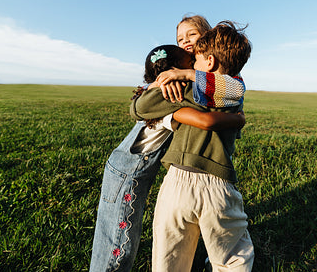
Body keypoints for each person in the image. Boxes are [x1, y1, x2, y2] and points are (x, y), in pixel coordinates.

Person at [89, 44, 246, 272]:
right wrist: (237, 119)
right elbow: (209, 113)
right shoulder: (173, 92)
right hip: (128, 171)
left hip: (128, 167)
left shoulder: (170, 87)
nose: (192, 69)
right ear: (171, 72)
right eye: (189, 65)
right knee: (118, 242)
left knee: (118, 236)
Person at [130, 21, 255, 271]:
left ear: (208, 62)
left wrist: (166, 86)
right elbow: (233, 89)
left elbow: (140, 108)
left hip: (177, 181)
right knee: (233, 258)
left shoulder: (187, 89)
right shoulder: (232, 92)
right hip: (219, 184)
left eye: (195, 60)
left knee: (169, 257)